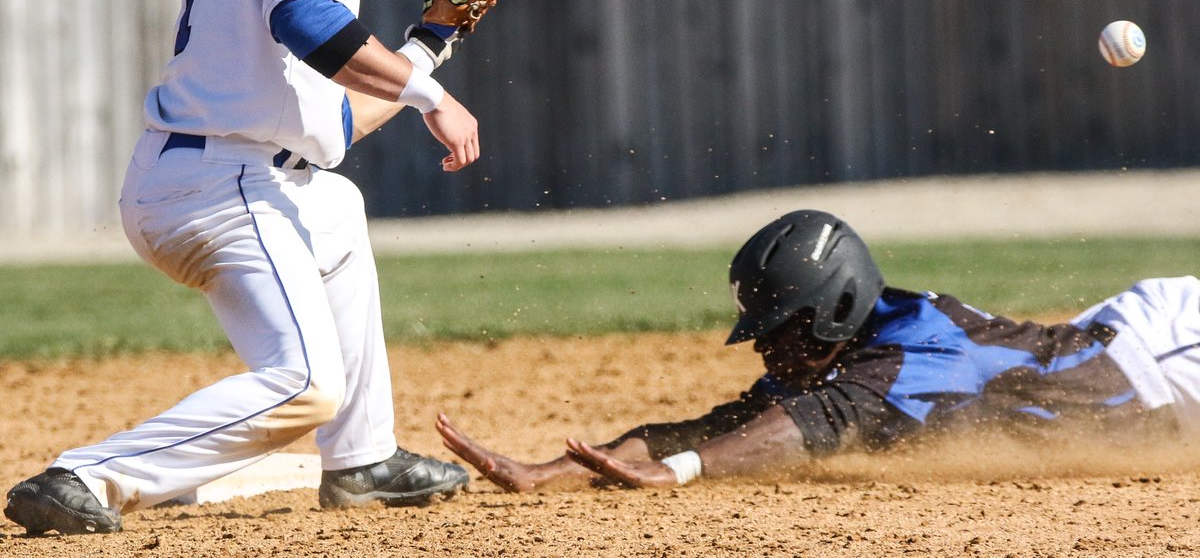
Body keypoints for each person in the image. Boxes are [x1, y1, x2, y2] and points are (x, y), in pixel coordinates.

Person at [6, 0, 482, 536]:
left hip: (203, 174)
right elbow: (311, 24)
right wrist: (434, 100)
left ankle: (362, 460)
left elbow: (333, 116)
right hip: (221, 186)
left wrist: (430, 45)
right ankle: (84, 475)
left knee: (335, 206)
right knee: (302, 381)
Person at [436, 209, 1200, 491]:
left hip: (1169, 356)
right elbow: (720, 428)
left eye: (781, 330)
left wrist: (676, 474)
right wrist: (547, 472)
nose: (768, 351)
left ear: (835, 309)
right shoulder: (848, 354)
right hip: (1124, 347)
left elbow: (799, 430)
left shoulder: (909, 356)